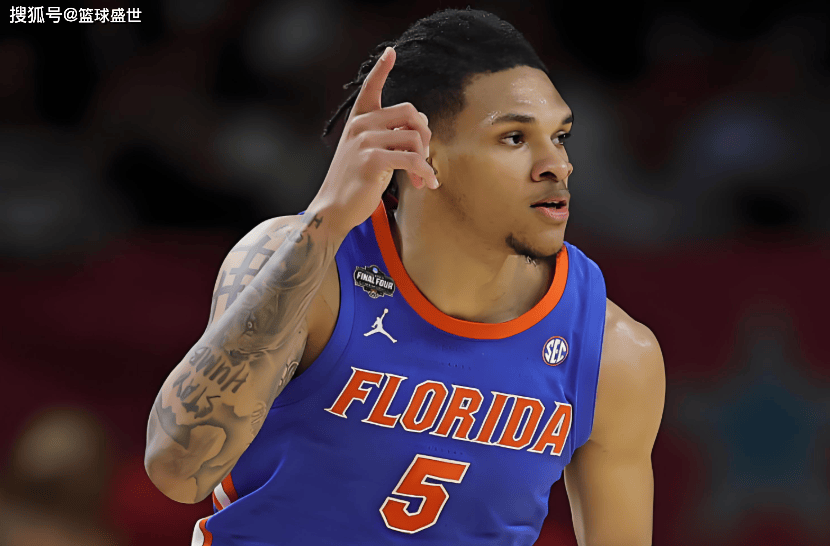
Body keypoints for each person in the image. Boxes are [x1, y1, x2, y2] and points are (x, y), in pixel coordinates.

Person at [144, 8, 665, 545]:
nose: (558, 164)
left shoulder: (613, 353)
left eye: (560, 136)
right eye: (514, 137)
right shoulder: (302, 264)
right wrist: (327, 220)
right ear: (421, 151)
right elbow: (178, 471)